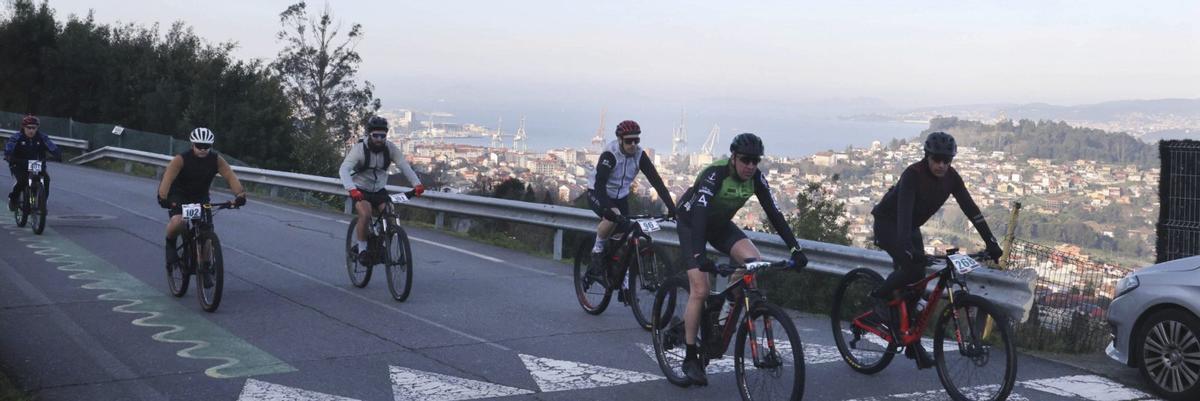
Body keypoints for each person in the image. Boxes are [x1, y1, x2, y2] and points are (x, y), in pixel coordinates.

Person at [673, 133, 808, 385]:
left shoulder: (756, 178)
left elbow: (775, 214)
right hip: (693, 225)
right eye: (745, 160)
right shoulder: (715, 175)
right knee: (700, 289)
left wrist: (795, 249)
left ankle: (721, 308)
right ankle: (691, 357)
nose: (750, 166)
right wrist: (699, 256)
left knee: (752, 263)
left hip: (720, 225)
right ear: (733, 158)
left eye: (756, 161)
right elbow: (700, 214)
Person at [868, 131, 1003, 369]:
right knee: (912, 269)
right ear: (927, 157)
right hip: (889, 223)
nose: (941, 165)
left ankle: (912, 342)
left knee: (918, 284)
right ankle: (879, 295)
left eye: (946, 160)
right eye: (936, 159)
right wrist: (908, 248)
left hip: (909, 226)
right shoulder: (913, 174)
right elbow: (904, 211)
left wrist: (991, 243)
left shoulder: (952, 178)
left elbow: (972, 210)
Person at [584, 120, 676, 283]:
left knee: (626, 236)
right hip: (598, 193)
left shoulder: (639, 155)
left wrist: (671, 207)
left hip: (621, 197)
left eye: (636, 140)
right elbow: (599, 184)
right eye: (628, 141)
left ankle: (622, 274)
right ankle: (597, 250)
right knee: (612, 217)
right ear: (620, 140)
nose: (633, 144)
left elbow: (656, 181)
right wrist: (608, 208)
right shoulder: (610, 154)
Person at [156, 128, 247, 273]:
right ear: (193, 144)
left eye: (207, 147)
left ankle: (204, 264)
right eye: (199, 146)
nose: (203, 150)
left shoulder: (216, 159)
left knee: (206, 230)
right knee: (179, 221)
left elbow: (229, 176)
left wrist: (240, 195)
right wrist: (163, 197)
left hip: (200, 196)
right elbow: (168, 178)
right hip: (179, 194)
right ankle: (170, 243)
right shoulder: (181, 159)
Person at [338, 116, 423, 263]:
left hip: (379, 189)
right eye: (375, 135)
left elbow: (404, 166)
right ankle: (363, 250)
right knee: (365, 214)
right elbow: (344, 169)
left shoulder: (390, 149)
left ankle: (380, 246)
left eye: (382, 136)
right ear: (369, 135)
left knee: (390, 217)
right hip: (360, 189)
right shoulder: (359, 149)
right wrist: (351, 189)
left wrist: (417, 184)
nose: (379, 139)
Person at [5, 115, 62, 211]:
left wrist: (57, 154)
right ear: (23, 127)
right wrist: (9, 156)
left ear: (37, 128)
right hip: (19, 164)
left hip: (35, 164)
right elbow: (9, 148)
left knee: (46, 179)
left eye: (34, 128)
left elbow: (52, 146)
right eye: (29, 128)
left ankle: (42, 202)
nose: (31, 131)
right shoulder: (17, 137)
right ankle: (13, 199)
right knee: (22, 180)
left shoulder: (42, 137)